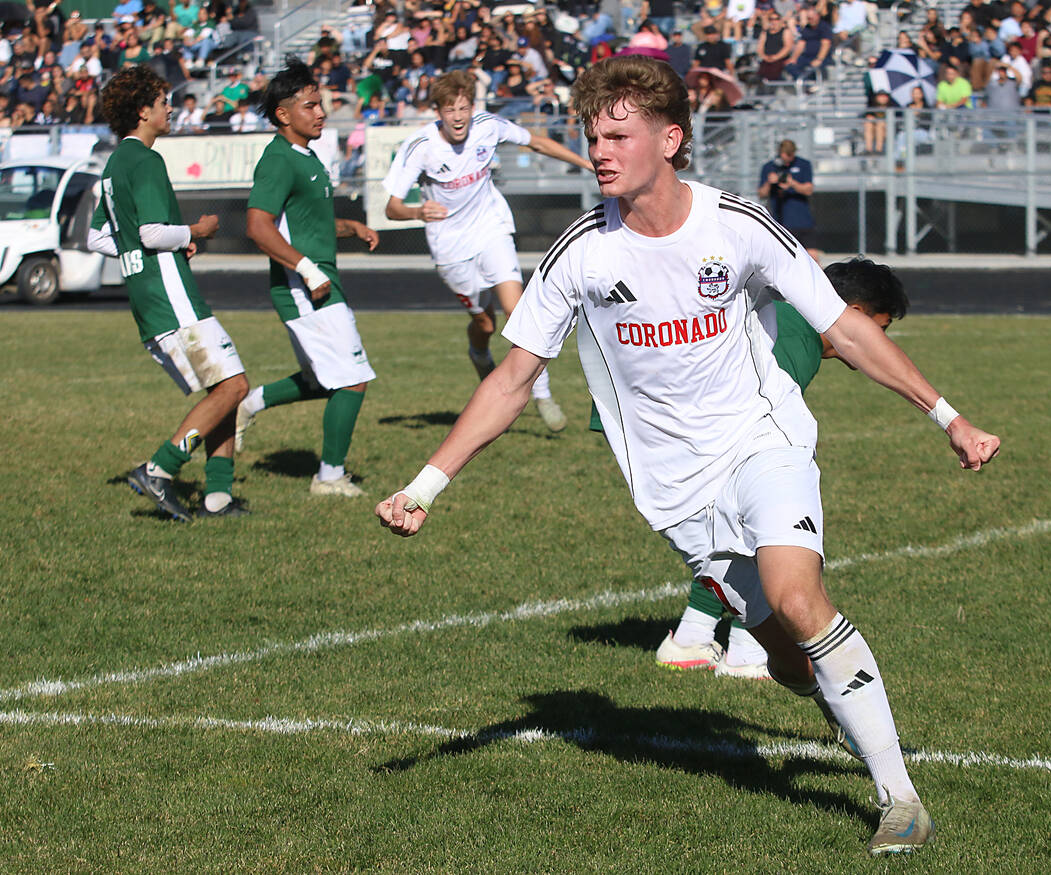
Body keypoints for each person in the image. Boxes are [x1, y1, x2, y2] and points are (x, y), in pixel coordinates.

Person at [377, 54, 1000, 855]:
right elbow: (511, 379)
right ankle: (841, 704)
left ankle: (900, 798)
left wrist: (947, 415)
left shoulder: (736, 224)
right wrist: (427, 483)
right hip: (674, 489)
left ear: (669, 139)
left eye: (617, 135)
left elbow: (844, 327)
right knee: (786, 656)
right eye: (592, 135)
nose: (599, 151)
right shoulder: (579, 255)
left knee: (798, 596)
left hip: (761, 439)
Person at [655, 257, 911, 680]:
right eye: (879, 330)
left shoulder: (793, 322)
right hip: (661, 421)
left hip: (658, 415)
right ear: (857, 315)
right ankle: (745, 650)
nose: (879, 342)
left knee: (731, 534)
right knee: (758, 529)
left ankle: (692, 638)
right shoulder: (798, 335)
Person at [382, 69, 593, 432]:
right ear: (438, 112)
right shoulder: (420, 147)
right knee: (484, 323)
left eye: (464, 107)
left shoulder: (488, 126)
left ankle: (541, 394)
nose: (459, 116)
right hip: (450, 247)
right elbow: (392, 207)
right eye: (450, 110)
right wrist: (418, 211)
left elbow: (537, 143)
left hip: (491, 230)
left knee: (518, 310)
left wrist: (588, 164)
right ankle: (480, 354)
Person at [86, 65, 250, 521]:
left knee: (225, 387)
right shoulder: (146, 159)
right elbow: (153, 231)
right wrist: (194, 230)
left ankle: (217, 497)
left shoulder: (114, 164)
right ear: (143, 111)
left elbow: (97, 238)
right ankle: (159, 470)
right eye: (162, 101)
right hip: (173, 299)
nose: (170, 108)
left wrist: (157, 247)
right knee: (234, 386)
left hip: (149, 297)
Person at [237, 59, 379, 497]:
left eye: (321, 104)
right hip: (305, 287)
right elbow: (258, 226)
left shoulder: (308, 156)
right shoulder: (278, 159)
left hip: (318, 280)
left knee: (323, 379)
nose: (321, 113)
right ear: (283, 114)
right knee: (352, 377)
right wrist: (306, 268)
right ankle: (330, 477)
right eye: (311, 106)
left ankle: (248, 404)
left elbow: (305, 223)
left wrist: (349, 228)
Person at [757, 138, 820, 261]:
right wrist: (770, 183)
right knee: (782, 258)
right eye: (786, 155)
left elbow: (809, 189)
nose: (788, 159)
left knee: (812, 257)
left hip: (803, 221)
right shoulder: (770, 167)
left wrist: (792, 183)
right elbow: (761, 194)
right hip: (780, 221)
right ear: (780, 153)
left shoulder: (803, 164)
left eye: (791, 155)